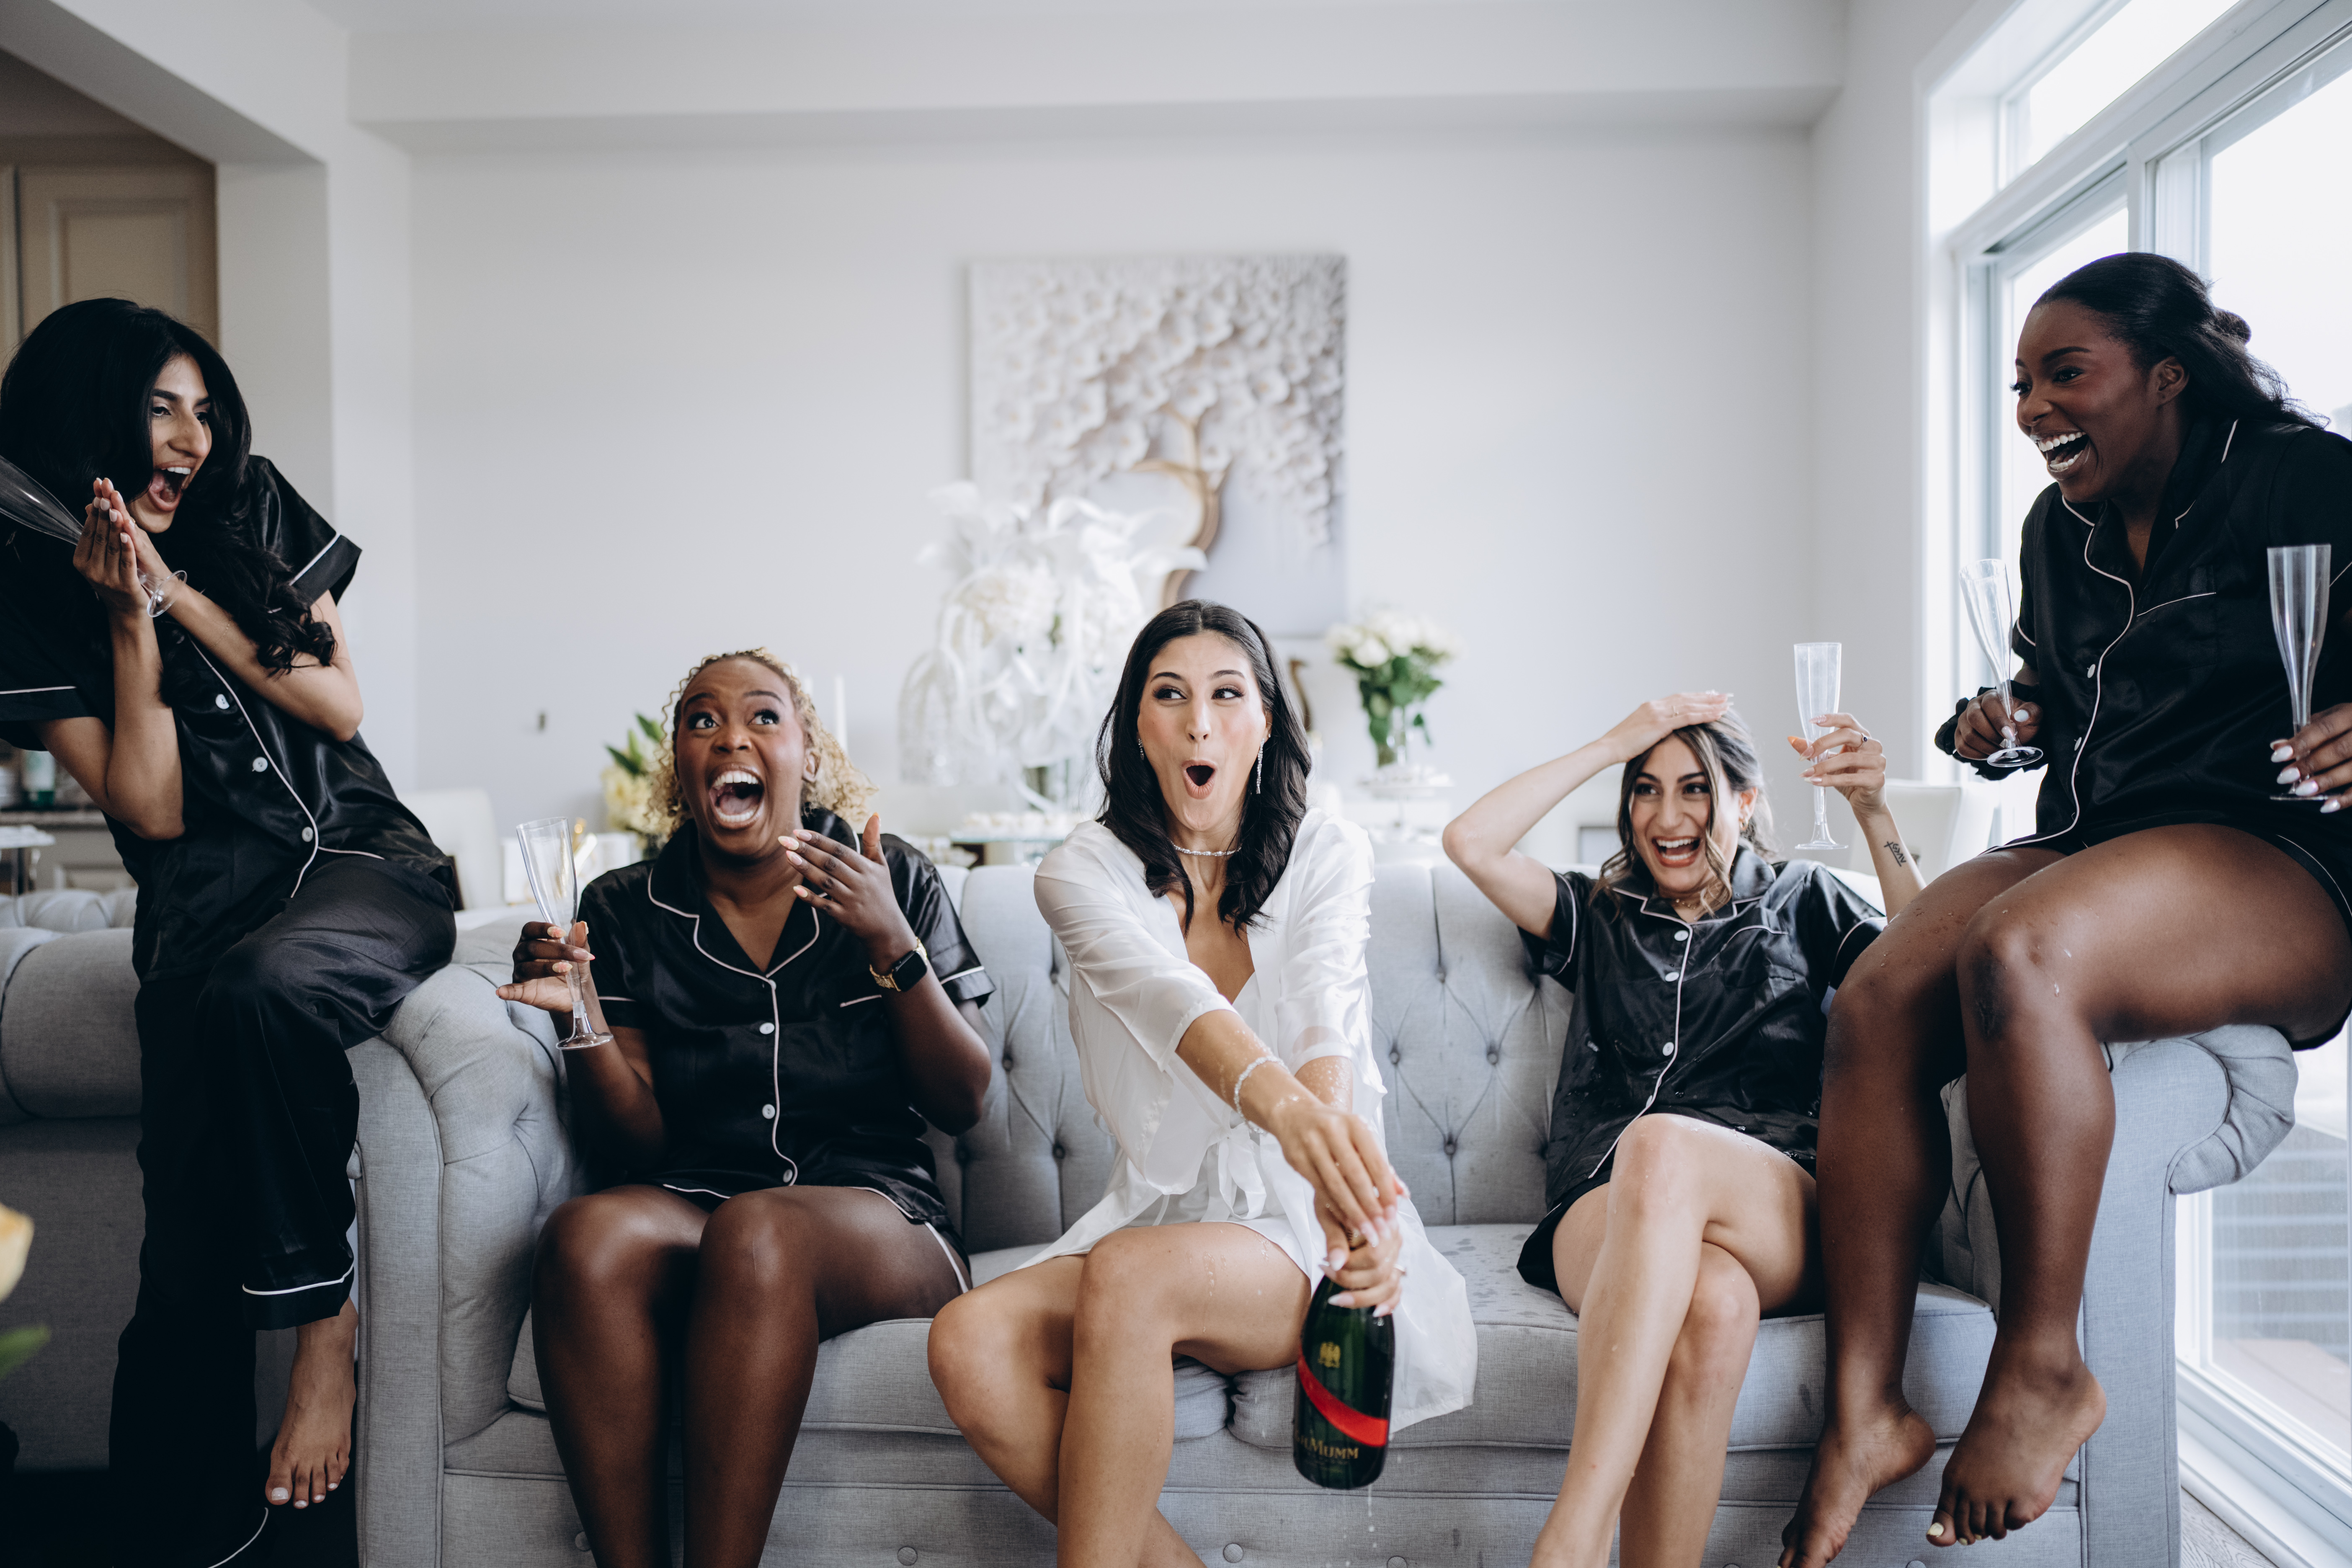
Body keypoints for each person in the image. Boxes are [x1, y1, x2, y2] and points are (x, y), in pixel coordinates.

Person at [1782, 253, 2352, 1565]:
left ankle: (2043, 1365)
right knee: (1877, 992)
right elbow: (2050, 695)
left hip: (2279, 856)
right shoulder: (2059, 534)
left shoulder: (2306, 478)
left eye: (2066, 373)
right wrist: (2002, 722)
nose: (2035, 406)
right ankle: (1865, 1408)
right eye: (2021, 384)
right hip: (2103, 837)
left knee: (2023, 948)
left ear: (2169, 374)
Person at [0, 299, 456, 1564]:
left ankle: (327, 1337)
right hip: (199, 916)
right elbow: (149, 807)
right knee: (183, 1252)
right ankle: (175, 1538)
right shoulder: (27, 582)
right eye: (160, 407)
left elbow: (338, 702)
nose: (192, 438)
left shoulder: (252, 507)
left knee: (265, 989)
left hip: (365, 865)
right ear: (90, 415)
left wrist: (175, 592)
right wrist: (126, 623)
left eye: (204, 410)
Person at [927, 599, 1475, 1568]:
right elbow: (1173, 1004)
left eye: (1227, 695)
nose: (1199, 724)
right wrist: (1291, 1111)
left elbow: (1322, 1010)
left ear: (1266, 722)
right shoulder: (1079, 874)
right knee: (967, 1341)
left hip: (1302, 1220)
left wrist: (1342, 1194)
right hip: (1164, 1216)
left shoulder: (1328, 849)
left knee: (1131, 1275)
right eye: (1170, 696)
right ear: (1137, 726)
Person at [497, 648, 994, 1568]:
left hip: (880, 1213)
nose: (731, 736)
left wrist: (892, 943)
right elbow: (637, 1143)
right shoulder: (623, 905)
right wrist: (583, 1019)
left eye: (764, 716)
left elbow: (963, 1100)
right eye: (703, 720)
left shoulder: (890, 876)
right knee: (584, 1238)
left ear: (809, 754)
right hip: (697, 1200)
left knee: (762, 1232)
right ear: (680, 770)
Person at [1442, 694, 1919, 1568]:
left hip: (1768, 1199)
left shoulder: (1804, 899)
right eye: (1646, 789)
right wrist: (1610, 741)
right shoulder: (1599, 913)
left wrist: (1874, 813)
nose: (1666, 817)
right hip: (1607, 1202)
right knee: (1713, 1302)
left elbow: (1926, 970)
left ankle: (1575, 1534)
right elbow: (1470, 841)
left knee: (1662, 1142)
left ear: (1747, 800)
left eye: (1695, 788)